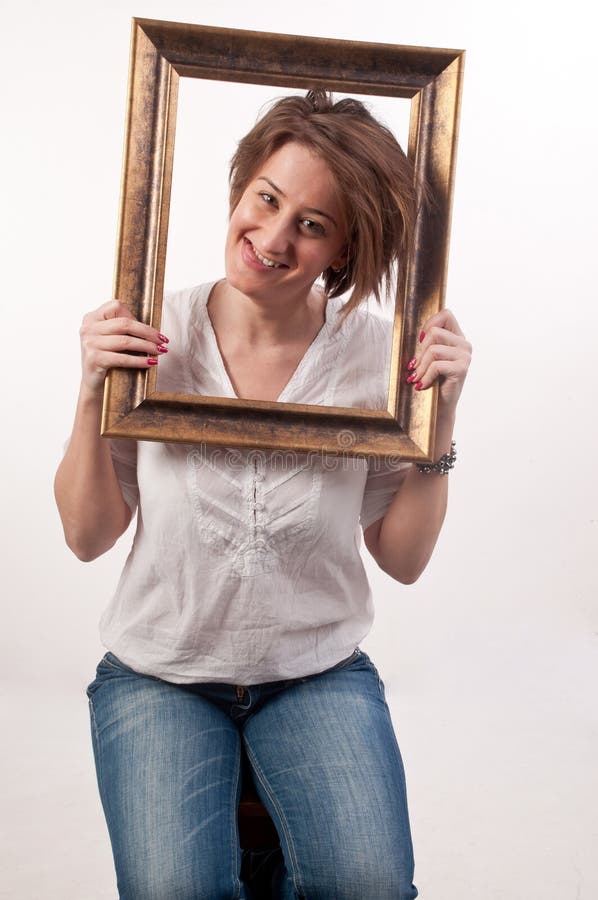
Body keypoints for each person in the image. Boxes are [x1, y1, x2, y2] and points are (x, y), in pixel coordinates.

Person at [54, 89, 471, 900]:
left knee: (370, 886)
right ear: (241, 187)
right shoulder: (152, 336)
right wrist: (89, 393)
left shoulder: (378, 363)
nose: (272, 239)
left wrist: (438, 426)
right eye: (267, 200)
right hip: (159, 673)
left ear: (345, 250)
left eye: (312, 225)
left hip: (315, 671)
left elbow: (405, 561)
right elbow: (85, 534)